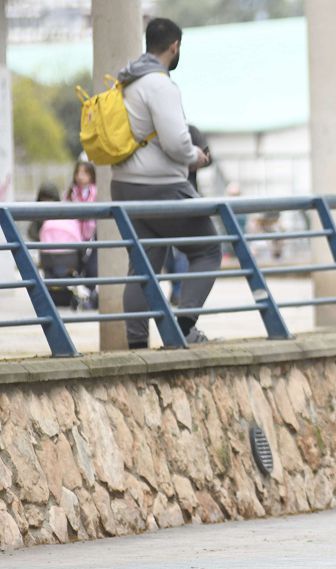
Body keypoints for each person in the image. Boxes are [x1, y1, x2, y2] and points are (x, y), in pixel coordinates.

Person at [112, 17, 219, 348]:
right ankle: (184, 327)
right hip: (161, 187)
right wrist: (195, 156)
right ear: (174, 46)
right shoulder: (160, 85)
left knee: (144, 266)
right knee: (210, 248)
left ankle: (136, 344)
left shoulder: (127, 82)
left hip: (124, 186)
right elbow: (176, 141)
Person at [66, 160, 99, 309]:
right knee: (75, 268)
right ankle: (77, 297)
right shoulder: (70, 193)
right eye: (78, 172)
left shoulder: (96, 192)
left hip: (92, 236)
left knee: (92, 268)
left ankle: (90, 297)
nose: (80, 176)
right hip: (74, 236)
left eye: (85, 173)